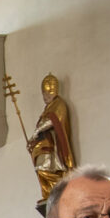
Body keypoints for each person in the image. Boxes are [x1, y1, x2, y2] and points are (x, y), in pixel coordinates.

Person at [28, 73, 75, 208]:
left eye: (48, 94)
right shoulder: (48, 107)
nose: (45, 97)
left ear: (54, 91)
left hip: (53, 145)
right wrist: (32, 142)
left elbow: (52, 121)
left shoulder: (59, 104)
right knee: (40, 168)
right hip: (44, 143)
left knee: (45, 168)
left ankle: (58, 192)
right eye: (44, 94)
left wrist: (36, 131)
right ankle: (49, 194)